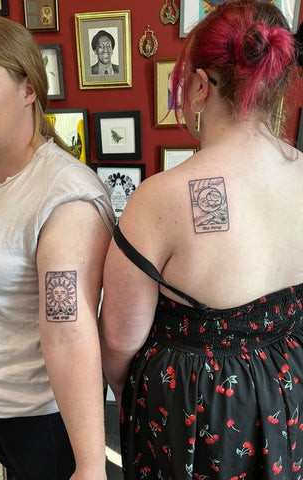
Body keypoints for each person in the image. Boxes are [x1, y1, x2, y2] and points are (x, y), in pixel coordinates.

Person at [100, 1, 303, 478]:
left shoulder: (159, 200)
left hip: (199, 410)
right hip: (289, 386)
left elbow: (119, 344)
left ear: (197, 86)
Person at [0, 15, 115, 480]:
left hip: (37, 419)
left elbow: (69, 331)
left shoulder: (65, 198)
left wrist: (92, 463)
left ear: (28, 90)